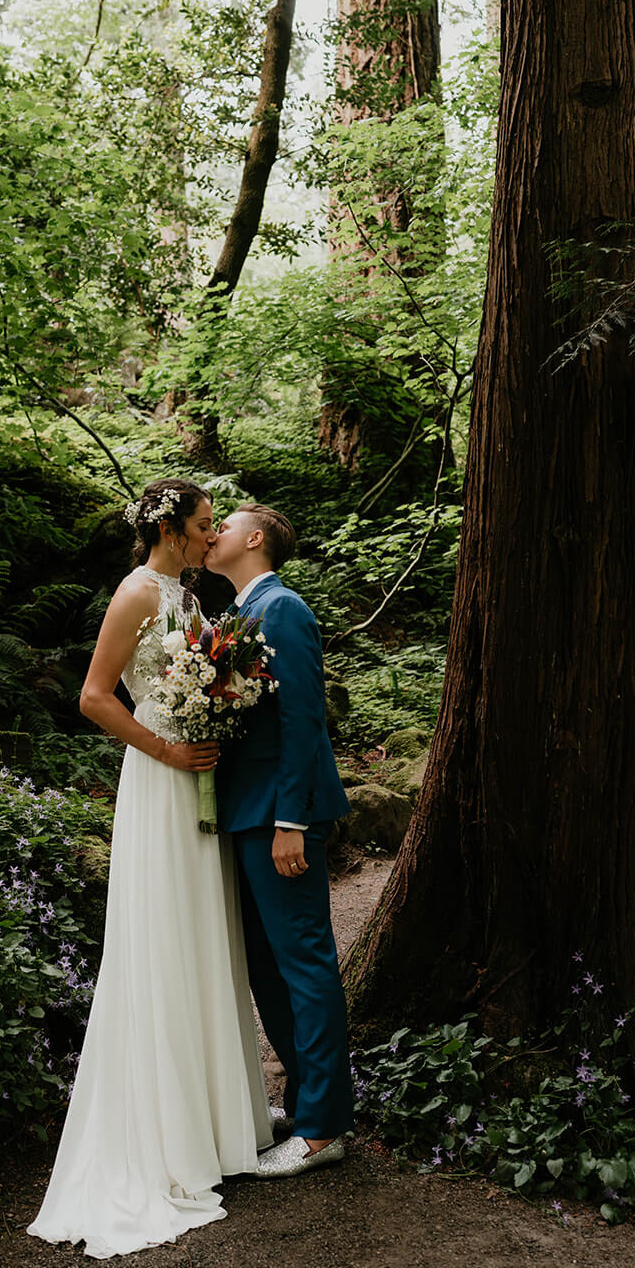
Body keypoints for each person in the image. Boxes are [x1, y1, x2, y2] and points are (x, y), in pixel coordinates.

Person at [27, 479, 273, 1259]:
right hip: (160, 779)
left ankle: (213, 1128)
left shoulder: (188, 594)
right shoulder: (137, 592)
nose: (210, 538)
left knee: (203, 937)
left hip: (197, 773)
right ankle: (162, 1141)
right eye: (203, 527)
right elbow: (95, 697)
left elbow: (200, 674)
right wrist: (166, 746)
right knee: (163, 941)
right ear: (168, 526)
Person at [206, 502, 354, 1179]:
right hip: (244, 809)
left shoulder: (283, 608)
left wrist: (292, 819)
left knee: (302, 961)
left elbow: (302, 718)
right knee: (265, 966)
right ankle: (303, 1099)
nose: (214, 535)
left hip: (279, 813)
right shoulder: (236, 613)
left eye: (225, 526)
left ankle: (324, 1129)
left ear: (255, 539)